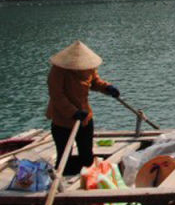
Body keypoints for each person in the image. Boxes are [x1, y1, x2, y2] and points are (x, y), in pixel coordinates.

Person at [45, 40, 120, 175]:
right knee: (64, 156)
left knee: (86, 154)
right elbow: (57, 95)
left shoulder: (88, 67)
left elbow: (95, 82)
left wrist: (107, 88)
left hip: (85, 117)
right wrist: (73, 112)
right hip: (63, 120)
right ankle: (62, 185)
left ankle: (88, 181)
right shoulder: (58, 71)